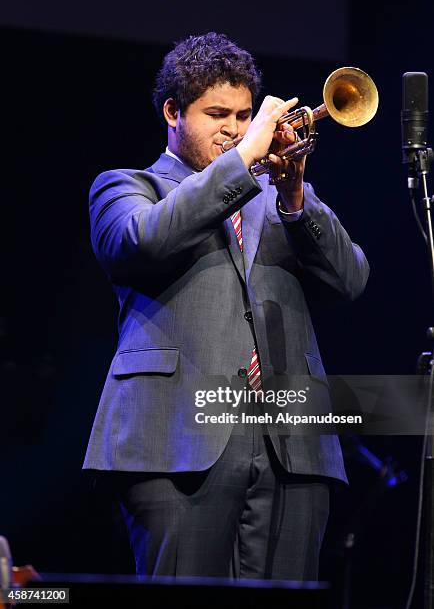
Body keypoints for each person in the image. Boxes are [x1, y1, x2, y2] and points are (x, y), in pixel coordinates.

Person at [83, 32, 369, 580]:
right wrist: (243, 162)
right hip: (175, 443)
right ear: (172, 111)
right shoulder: (127, 187)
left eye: (243, 116)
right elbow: (140, 243)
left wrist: (294, 198)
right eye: (217, 114)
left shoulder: (277, 197)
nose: (234, 130)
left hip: (292, 447)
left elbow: (351, 279)